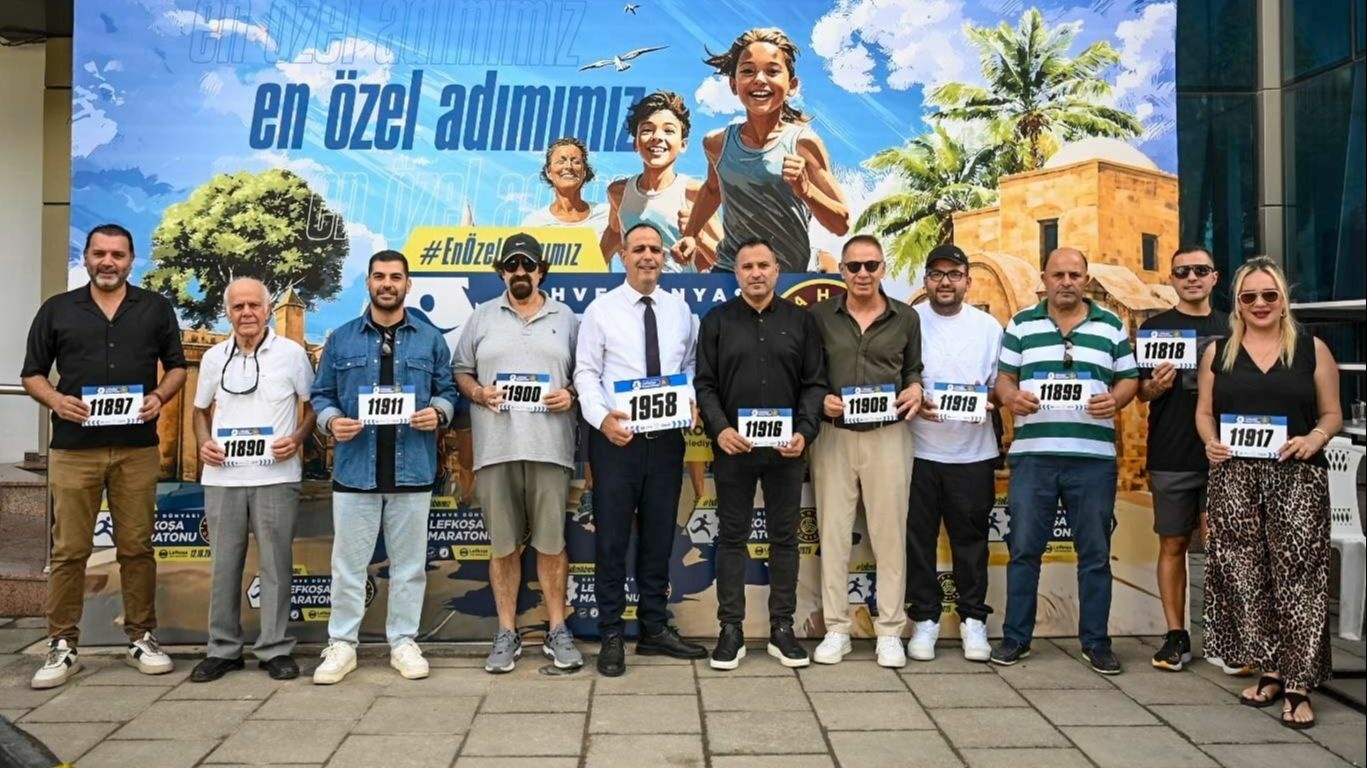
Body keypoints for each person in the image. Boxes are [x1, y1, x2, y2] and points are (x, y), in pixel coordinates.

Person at [23, 224, 187, 689]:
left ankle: (141, 636)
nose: (108, 262)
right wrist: (56, 401)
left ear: (131, 260)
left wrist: (159, 396)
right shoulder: (57, 309)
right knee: (69, 550)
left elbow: (177, 367)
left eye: (117, 254)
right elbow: (32, 373)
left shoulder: (155, 308)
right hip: (74, 449)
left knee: (137, 547)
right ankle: (62, 643)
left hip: (137, 448)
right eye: (100, 254)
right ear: (87, 258)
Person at [1196, 256, 1340, 730]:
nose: (1260, 303)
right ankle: (1271, 669)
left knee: (1299, 578)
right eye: (1249, 296)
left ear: (1283, 300)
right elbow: (1204, 412)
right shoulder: (1219, 352)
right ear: (1237, 303)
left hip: (1296, 477)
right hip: (1235, 478)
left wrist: (1315, 438)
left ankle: (1300, 683)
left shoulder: (1312, 350)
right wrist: (1210, 441)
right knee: (1246, 577)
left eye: (1269, 295)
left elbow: (1332, 414)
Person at [310, 250, 456, 685]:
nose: (387, 284)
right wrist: (331, 422)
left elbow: (449, 389)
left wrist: (439, 412)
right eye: (379, 276)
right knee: (348, 567)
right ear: (368, 283)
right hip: (356, 471)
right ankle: (342, 644)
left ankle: (403, 642)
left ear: (408, 284)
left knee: (409, 567)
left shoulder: (430, 339)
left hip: (413, 470)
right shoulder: (341, 339)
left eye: (395, 277)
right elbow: (321, 395)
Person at [991, 247, 1138, 675]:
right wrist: (1010, 397)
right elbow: (1004, 378)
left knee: (1094, 553)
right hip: (1033, 458)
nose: (1067, 282)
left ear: (1086, 280)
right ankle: (1016, 638)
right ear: (1045, 279)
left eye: (1075, 274)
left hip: (1092, 460)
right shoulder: (1022, 323)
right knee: (1023, 550)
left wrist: (1116, 399)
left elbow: (1129, 378)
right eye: (1058, 275)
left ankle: (1096, 642)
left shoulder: (1111, 325)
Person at [574, 222, 708, 676]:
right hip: (617, 442)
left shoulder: (680, 310)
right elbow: (585, 372)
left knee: (659, 538)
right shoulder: (601, 310)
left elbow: (689, 364)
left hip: (666, 441)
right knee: (611, 541)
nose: (648, 256)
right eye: (639, 249)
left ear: (664, 257)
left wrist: (690, 396)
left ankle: (654, 628)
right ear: (624, 256)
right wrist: (601, 419)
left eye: (655, 249)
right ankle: (611, 633)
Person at [452, 233, 583, 673]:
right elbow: (461, 370)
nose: (520, 272)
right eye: (512, 265)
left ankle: (557, 629)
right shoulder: (481, 317)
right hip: (496, 449)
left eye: (528, 265)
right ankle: (506, 632)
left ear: (541, 271)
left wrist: (571, 393)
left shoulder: (567, 318)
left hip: (551, 449)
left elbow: (587, 372)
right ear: (502, 272)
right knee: (503, 546)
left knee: (552, 543)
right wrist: (478, 392)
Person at [694, 237, 826, 670]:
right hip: (734, 448)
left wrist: (805, 432)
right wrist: (721, 430)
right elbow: (705, 384)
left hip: (787, 451)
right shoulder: (716, 321)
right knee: (732, 537)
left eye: (763, 265)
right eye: (747, 266)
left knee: (784, 538)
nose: (755, 273)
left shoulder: (801, 322)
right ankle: (730, 630)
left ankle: (782, 628)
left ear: (777, 270)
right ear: (736, 273)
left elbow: (814, 384)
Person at [190, 278, 316, 683]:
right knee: (224, 566)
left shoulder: (292, 354)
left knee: (276, 564)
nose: (247, 313)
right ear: (227, 312)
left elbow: (313, 405)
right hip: (222, 478)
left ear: (267, 310)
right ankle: (222, 649)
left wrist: (297, 439)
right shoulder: (213, 358)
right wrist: (203, 443)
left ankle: (275, 649)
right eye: (238, 306)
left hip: (277, 476)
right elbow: (199, 410)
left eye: (254, 305)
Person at [809, 235, 923, 668]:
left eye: (870, 265)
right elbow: (809, 374)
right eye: (853, 266)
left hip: (888, 434)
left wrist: (914, 387)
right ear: (841, 270)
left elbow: (913, 369)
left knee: (889, 537)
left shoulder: (906, 317)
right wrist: (820, 398)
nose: (862, 274)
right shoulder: (820, 317)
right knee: (834, 534)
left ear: (883, 269)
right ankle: (837, 628)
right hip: (834, 435)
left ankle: (890, 630)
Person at [674, 27, 849, 273]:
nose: (759, 79)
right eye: (748, 71)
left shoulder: (804, 144)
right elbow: (713, 189)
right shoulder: (716, 143)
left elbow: (842, 223)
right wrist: (691, 234)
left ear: (792, 85)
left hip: (787, 278)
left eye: (772, 71)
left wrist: (806, 190)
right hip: (730, 271)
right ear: (734, 84)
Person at [906, 244, 1002, 663]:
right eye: (937, 274)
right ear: (926, 279)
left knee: (972, 542)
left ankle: (973, 620)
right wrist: (914, 398)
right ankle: (924, 619)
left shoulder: (988, 327)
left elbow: (1000, 384)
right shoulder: (909, 321)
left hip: (973, 454)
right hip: (918, 452)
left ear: (967, 280)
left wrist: (993, 400)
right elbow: (899, 376)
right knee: (917, 542)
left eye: (954, 274)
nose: (945, 282)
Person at [1136, 246, 1228, 672]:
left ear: (1214, 277)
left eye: (1200, 270)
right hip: (1171, 451)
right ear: (1171, 279)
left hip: (1226, 454)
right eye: (1182, 271)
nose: (1192, 277)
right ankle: (1176, 634)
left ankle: (1227, 634)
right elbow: (1141, 393)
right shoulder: (1154, 329)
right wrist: (1155, 385)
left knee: (1222, 546)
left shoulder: (1235, 327)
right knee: (1172, 543)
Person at [600, 91, 721, 272]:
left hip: (683, 289)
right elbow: (614, 233)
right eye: (647, 130)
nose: (657, 137)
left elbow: (729, 261)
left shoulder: (695, 194)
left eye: (669, 130)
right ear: (635, 144)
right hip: (636, 287)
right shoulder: (618, 192)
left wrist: (699, 236)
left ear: (683, 144)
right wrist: (588, 274)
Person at [521, 136, 614, 269]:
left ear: (584, 172)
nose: (568, 166)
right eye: (561, 161)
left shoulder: (608, 215)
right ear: (549, 172)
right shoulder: (533, 223)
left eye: (576, 161)